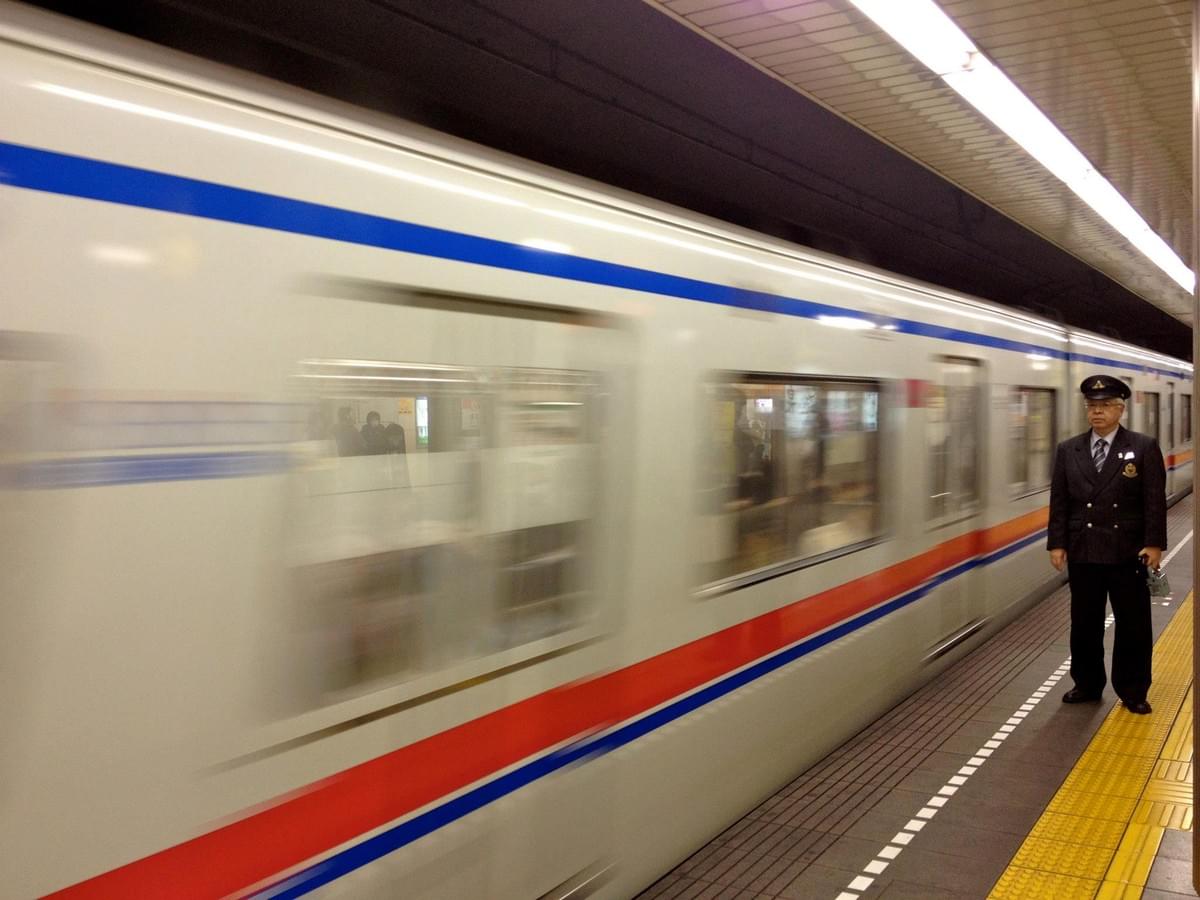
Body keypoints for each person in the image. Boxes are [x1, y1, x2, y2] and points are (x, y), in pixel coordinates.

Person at [1047, 375, 1166, 715]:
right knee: (1084, 623)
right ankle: (1086, 683)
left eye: (1105, 406)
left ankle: (1133, 689)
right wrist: (1057, 543)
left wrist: (1154, 544)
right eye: (1091, 406)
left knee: (1133, 625)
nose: (1097, 412)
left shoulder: (1143, 446)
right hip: (1083, 551)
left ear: (1120, 409)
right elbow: (1060, 501)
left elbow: (1154, 500)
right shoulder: (1069, 449)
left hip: (1129, 552)